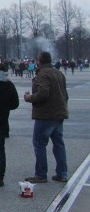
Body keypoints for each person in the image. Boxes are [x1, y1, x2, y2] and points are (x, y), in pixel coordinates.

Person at [23, 51, 69, 183]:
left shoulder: (42, 74)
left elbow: (43, 94)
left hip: (46, 114)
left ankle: (41, 174)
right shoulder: (58, 73)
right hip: (59, 113)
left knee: (39, 143)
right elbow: (65, 94)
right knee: (58, 144)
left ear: (39, 61)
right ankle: (62, 173)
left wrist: (29, 98)